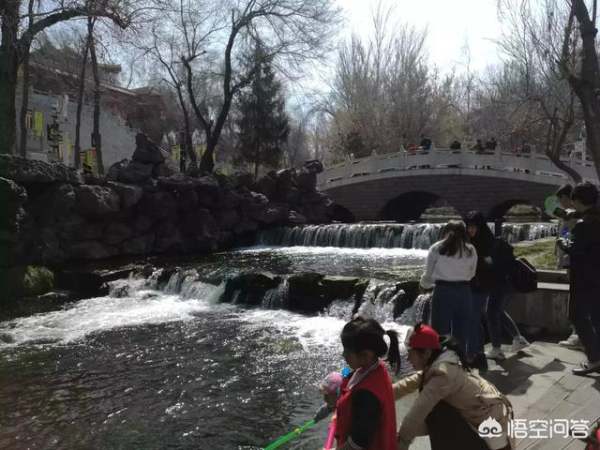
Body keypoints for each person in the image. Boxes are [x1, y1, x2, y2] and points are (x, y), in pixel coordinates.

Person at [395, 323, 513, 450]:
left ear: (426, 353)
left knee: (436, 413)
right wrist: (381, 392)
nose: (407, 358)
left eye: (410, 353)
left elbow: (417, 413)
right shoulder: (439, 363)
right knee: (434, 415)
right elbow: (407, 385)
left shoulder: (443, 374)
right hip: (476, 424)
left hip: (490, 439)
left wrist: (400, 441)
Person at [465, 212, 529, 362]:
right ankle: (517, 338)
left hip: (496, 284)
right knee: (496, 312)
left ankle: (495, 349)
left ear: (480, 226)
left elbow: (487, 266)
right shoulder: (482, 240)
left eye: (473, 226)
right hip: (496, 283)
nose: (470, 230)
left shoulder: (484, 242)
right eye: (468, 226)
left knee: (491, 313)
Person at [334, 316, 400, 450]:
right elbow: (348, 374)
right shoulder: (375, 366)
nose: (343, 355)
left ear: (365, 355)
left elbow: (357, 444)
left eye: (347, 351)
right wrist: (337, 380)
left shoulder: (367, 395)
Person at [558, 182, 600, 375]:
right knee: (596, 316)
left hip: (583, 278)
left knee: (577, 316)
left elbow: (573, 248)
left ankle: (594, 358)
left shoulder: (584, 224)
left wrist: (562, 239)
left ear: (577, 200)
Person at [420, 221, 477, 356]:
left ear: (445, 232)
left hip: (443, 291)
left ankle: (439, 363)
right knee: (461, 332)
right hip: (464, 292)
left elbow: (428, 274)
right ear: (464, 233)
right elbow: (472, 274)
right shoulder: (470, 250)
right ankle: (458, 363)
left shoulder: (436, 248)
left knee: (440, 332)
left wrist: (424, 286)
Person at [553, 185, 583, 350]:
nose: (560, 203)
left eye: (561, 199)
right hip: (568, 260)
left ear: (568, 197)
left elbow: (569, 237)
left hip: (573, 261)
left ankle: (577, 335)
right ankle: (576, 333)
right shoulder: (569, 216)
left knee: (576, 296)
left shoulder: (575, 217)